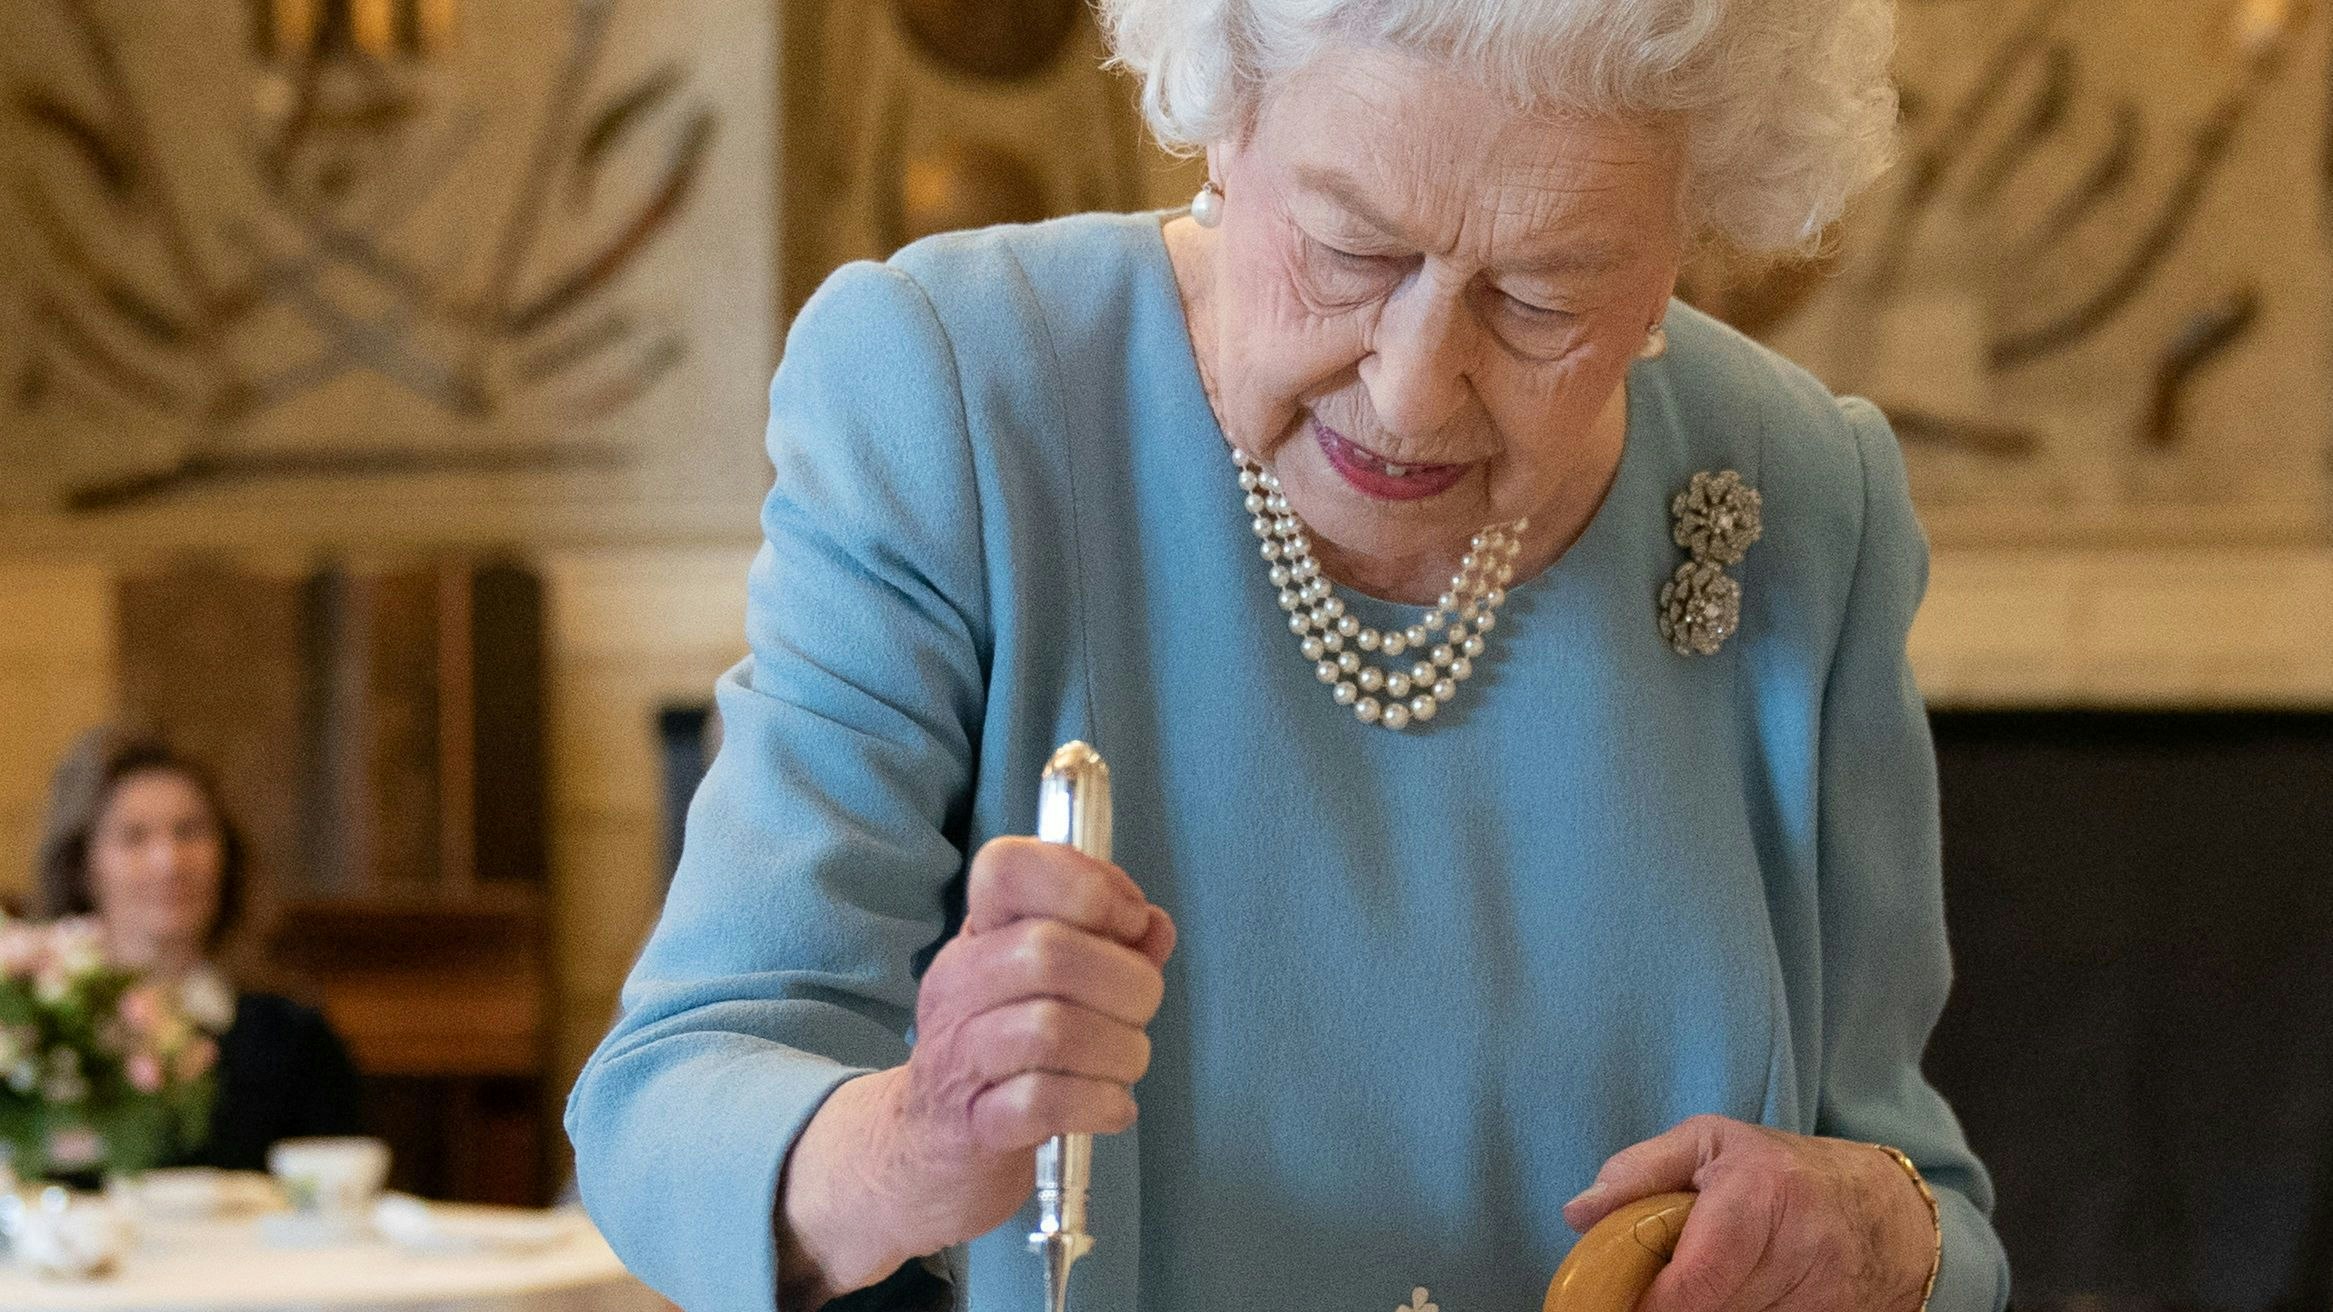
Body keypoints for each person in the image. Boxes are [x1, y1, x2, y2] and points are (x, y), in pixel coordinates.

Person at [568, 1, 2013, 1308]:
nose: (1413, 385)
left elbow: (1927, 1202)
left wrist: (1871, 1231)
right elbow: (667, 1108)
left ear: (1678, 252)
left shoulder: (1801, 493)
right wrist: (913, 1141)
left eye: (1540, 299)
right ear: (1225, 123)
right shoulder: (959, 387)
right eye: (1351, 250)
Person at [36, 728, 364, 1172]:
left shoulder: (293, 1038)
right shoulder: (40, 1036)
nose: (169, 862)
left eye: (190, 832)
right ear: (83, 867)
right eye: (134, 837)